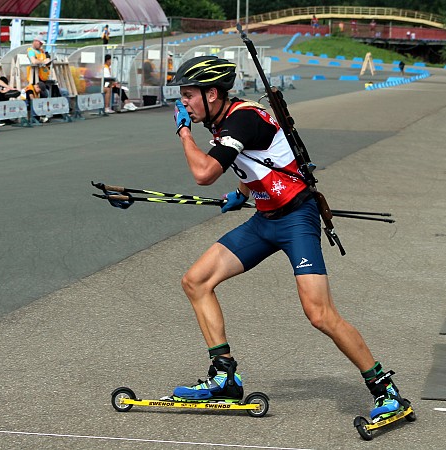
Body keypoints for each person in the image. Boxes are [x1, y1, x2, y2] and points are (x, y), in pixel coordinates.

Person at [167, 56, 407, 423]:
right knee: (196, 281)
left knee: (320, 314)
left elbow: (203, 174)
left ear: (212, 93)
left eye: (188, 96)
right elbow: (262, 161)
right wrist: (243, 193)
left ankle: (384, 389)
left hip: (297, 219)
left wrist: (183, 133)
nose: (184, 103)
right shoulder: (224, 122)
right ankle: (224, 376)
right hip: (265, 221)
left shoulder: (241, 118)